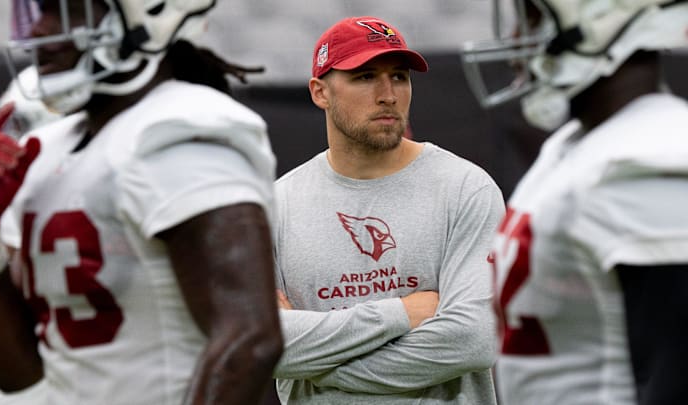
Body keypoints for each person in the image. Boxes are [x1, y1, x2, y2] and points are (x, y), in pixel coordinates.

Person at [0, 0, 283, 404]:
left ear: (145, 14)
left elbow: (250, 339)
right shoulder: (47, 150)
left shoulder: (178, 128)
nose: (37, 32)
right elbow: (18, 377)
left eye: (64, 10)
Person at [461, 1, 688, 404]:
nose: (515, 38)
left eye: (531, 17)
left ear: (599, 21)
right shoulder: (573, 146)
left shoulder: (653, 157)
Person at [272, 15, 505, 404]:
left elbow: (473, 339)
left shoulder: (465, 187)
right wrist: (400, 314)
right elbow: (264, 345)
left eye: (399, 76)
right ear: (320, 92)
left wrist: (318, 366)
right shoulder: (277, 205)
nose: (388, 94)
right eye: (364, 77)